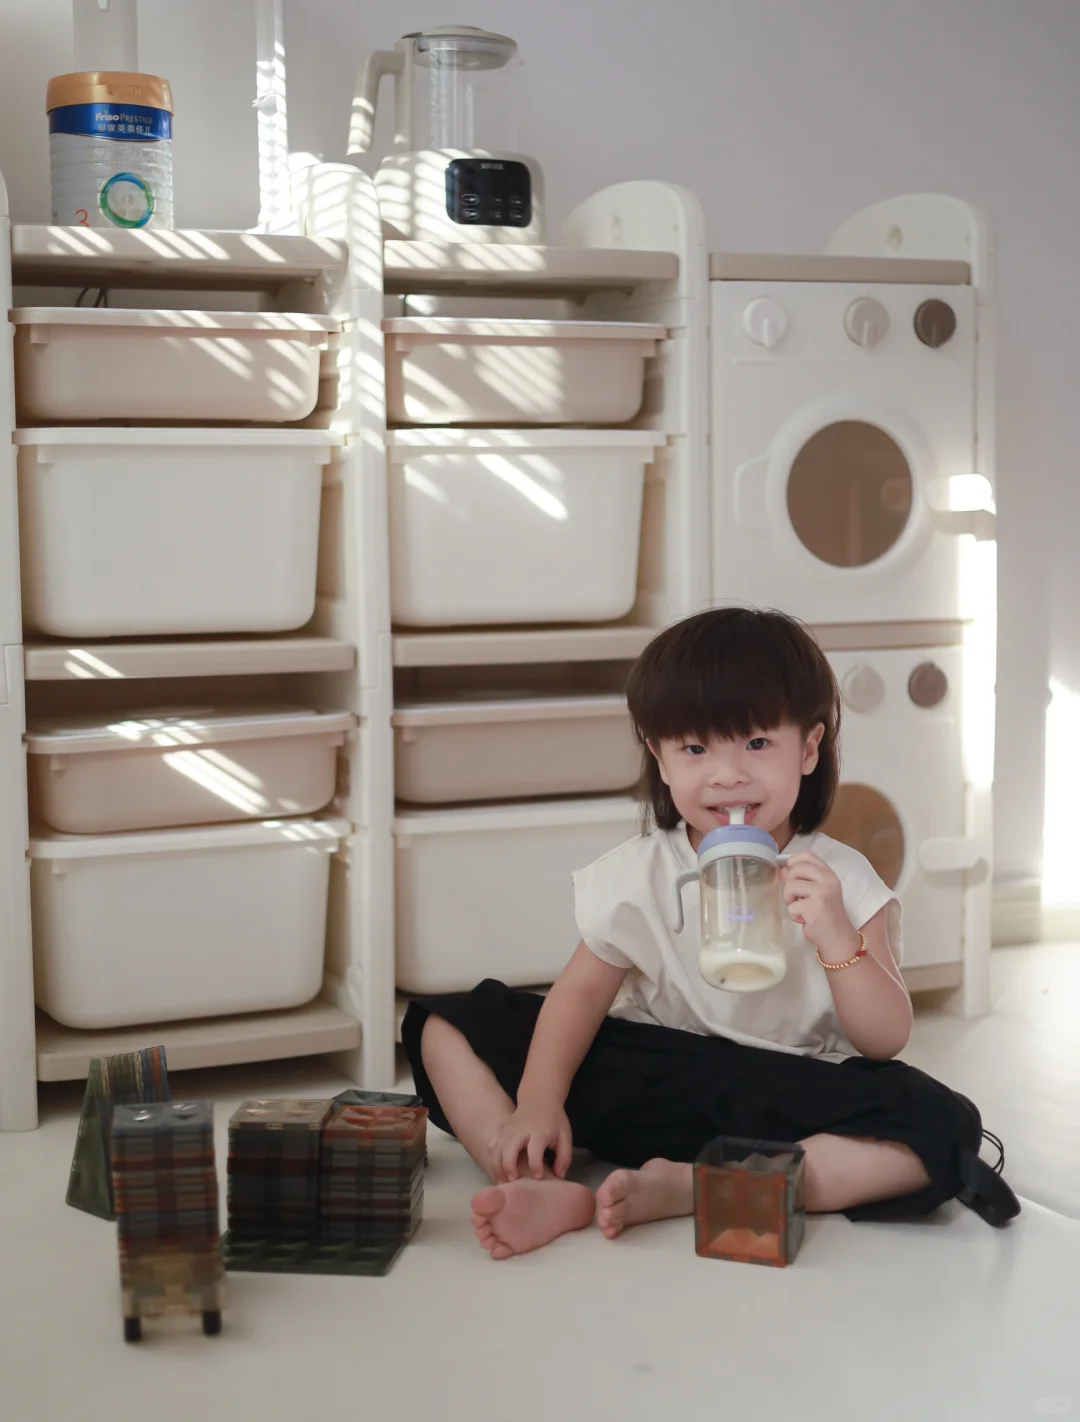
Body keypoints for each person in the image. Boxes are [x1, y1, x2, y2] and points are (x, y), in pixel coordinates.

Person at [402, 607, 1019, 1259]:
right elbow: (578, 995)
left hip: (781, 1089)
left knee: (941, 1124)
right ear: (660, 759)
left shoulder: (840, 878)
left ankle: (697, 1187)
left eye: (756, 744)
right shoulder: (640, 873)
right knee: (446, 1024)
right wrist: (538, 1102)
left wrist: (838, 936)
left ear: (809, 749)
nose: (727, 774)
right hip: (657, 1074)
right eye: (695, 749)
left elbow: (885, 1038)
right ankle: (533, 1178)